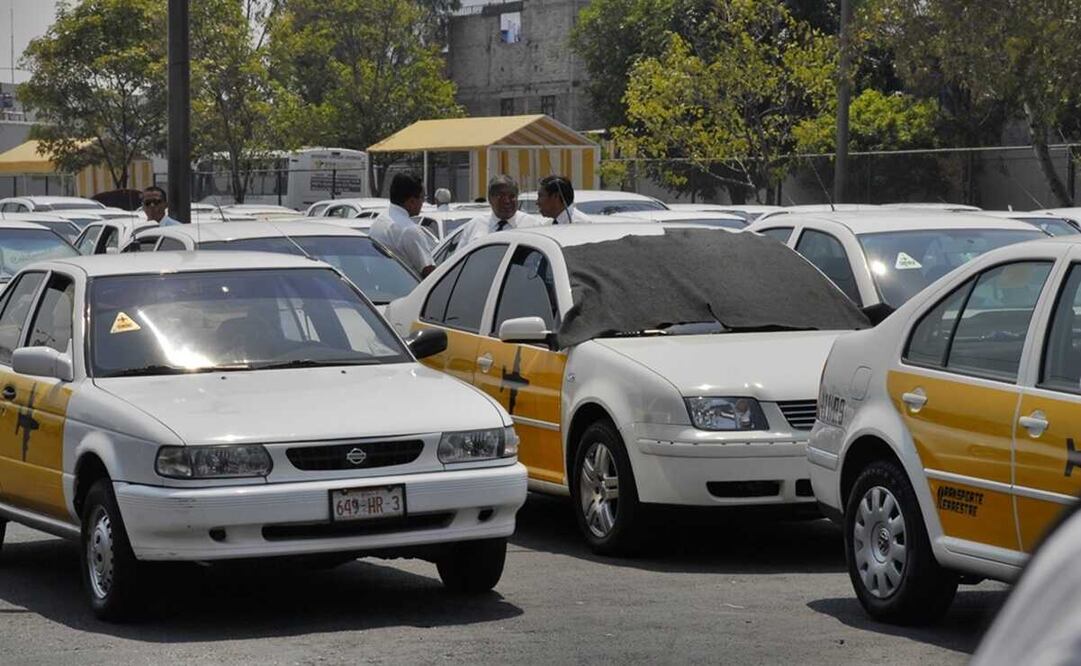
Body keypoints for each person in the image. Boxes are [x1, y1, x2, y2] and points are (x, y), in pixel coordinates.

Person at [368, 173, 435, 277]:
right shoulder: (409, 229)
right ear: (412, 201)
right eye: (422, 197)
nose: (423, 203)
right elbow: (428, 271)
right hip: (407, 290)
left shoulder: (379, 221)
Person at [455, 175, 544, 252]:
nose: (507, 201)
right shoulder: (474, 226)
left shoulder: (533, 226)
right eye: (501, 196)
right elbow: (459, 259)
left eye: (512, 196)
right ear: (490, 198)